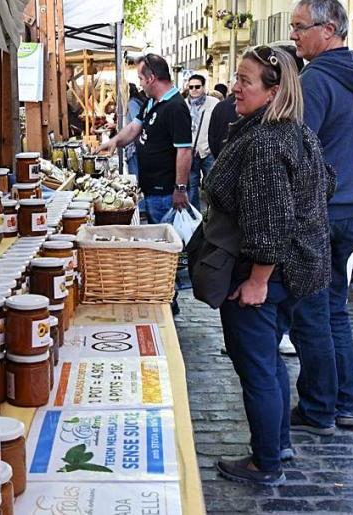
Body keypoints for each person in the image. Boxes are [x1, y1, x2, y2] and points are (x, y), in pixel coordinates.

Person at [207, 45, 333, 486]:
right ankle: (277, 443)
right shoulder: (294, 132)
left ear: (274, 91)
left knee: (257, 367)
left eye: (245, 81)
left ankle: (265, 463)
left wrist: (258, 280)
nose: (235, 88)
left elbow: (269, 222)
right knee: (270, 364)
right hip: (296, 272)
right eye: (237, 77)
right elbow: (325, 185)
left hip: (268, 277)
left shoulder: (265, 140)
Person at [288, 0, 353, 435]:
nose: (294, 35)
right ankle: (346, 402)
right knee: (334, 307)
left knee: (310, 312)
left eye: (300, 26)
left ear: (328, 30)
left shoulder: (316, 80)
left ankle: (320, 407)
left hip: (317, 211)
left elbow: (299, 151)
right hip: (350, 211)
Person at [98, 54, 193, 225]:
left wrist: (180, 188)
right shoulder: (151, 102)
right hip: (151, 188)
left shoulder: (176, 107)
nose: (140, 83)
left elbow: (184, 151)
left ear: (151, 78)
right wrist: (115, 141)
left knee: (165, 243)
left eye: (141, 78)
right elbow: (134, 127)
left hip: (165, 192)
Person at [186, 73, 219, 210]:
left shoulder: (214, 103)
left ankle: (214, 216)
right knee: (192, 187)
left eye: (197, 87)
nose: (194, 90)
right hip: (190, 151)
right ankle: (195, 218)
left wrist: (213, 147)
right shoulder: (183, 104)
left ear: (204, 87)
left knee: (213, 186)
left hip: (207, 150)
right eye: (191, 87)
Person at [124, 83, 146, 177]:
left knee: (134, 174)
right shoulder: (136, 101)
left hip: (134, 144)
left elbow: (136, 122)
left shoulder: (132, 103)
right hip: (136, 143)